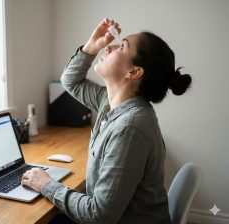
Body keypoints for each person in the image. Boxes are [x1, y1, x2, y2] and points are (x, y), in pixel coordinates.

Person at [21, 18, 192, 223]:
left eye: (121, 46)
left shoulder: (130, 128)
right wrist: (90, 48)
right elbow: (70, 81)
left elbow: (100, 215)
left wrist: (46, 184)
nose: (109, 48)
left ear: (134, 72)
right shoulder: (109, 102)